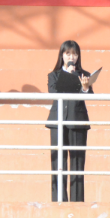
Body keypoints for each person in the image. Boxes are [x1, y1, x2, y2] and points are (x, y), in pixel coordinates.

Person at [46, 41, 93, 202]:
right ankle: (59, 200)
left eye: (74, 54)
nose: (71, 57)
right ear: (62, 55)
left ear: (78, 56)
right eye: (68, 54)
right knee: (58, 163)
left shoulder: (84, 75)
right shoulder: (54, 75)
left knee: (77, 163)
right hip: (57, 122)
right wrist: (69, 76)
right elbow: (53, 92)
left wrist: (85, 88)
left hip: (77, 122)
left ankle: (77, 202)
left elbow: (90, 95)